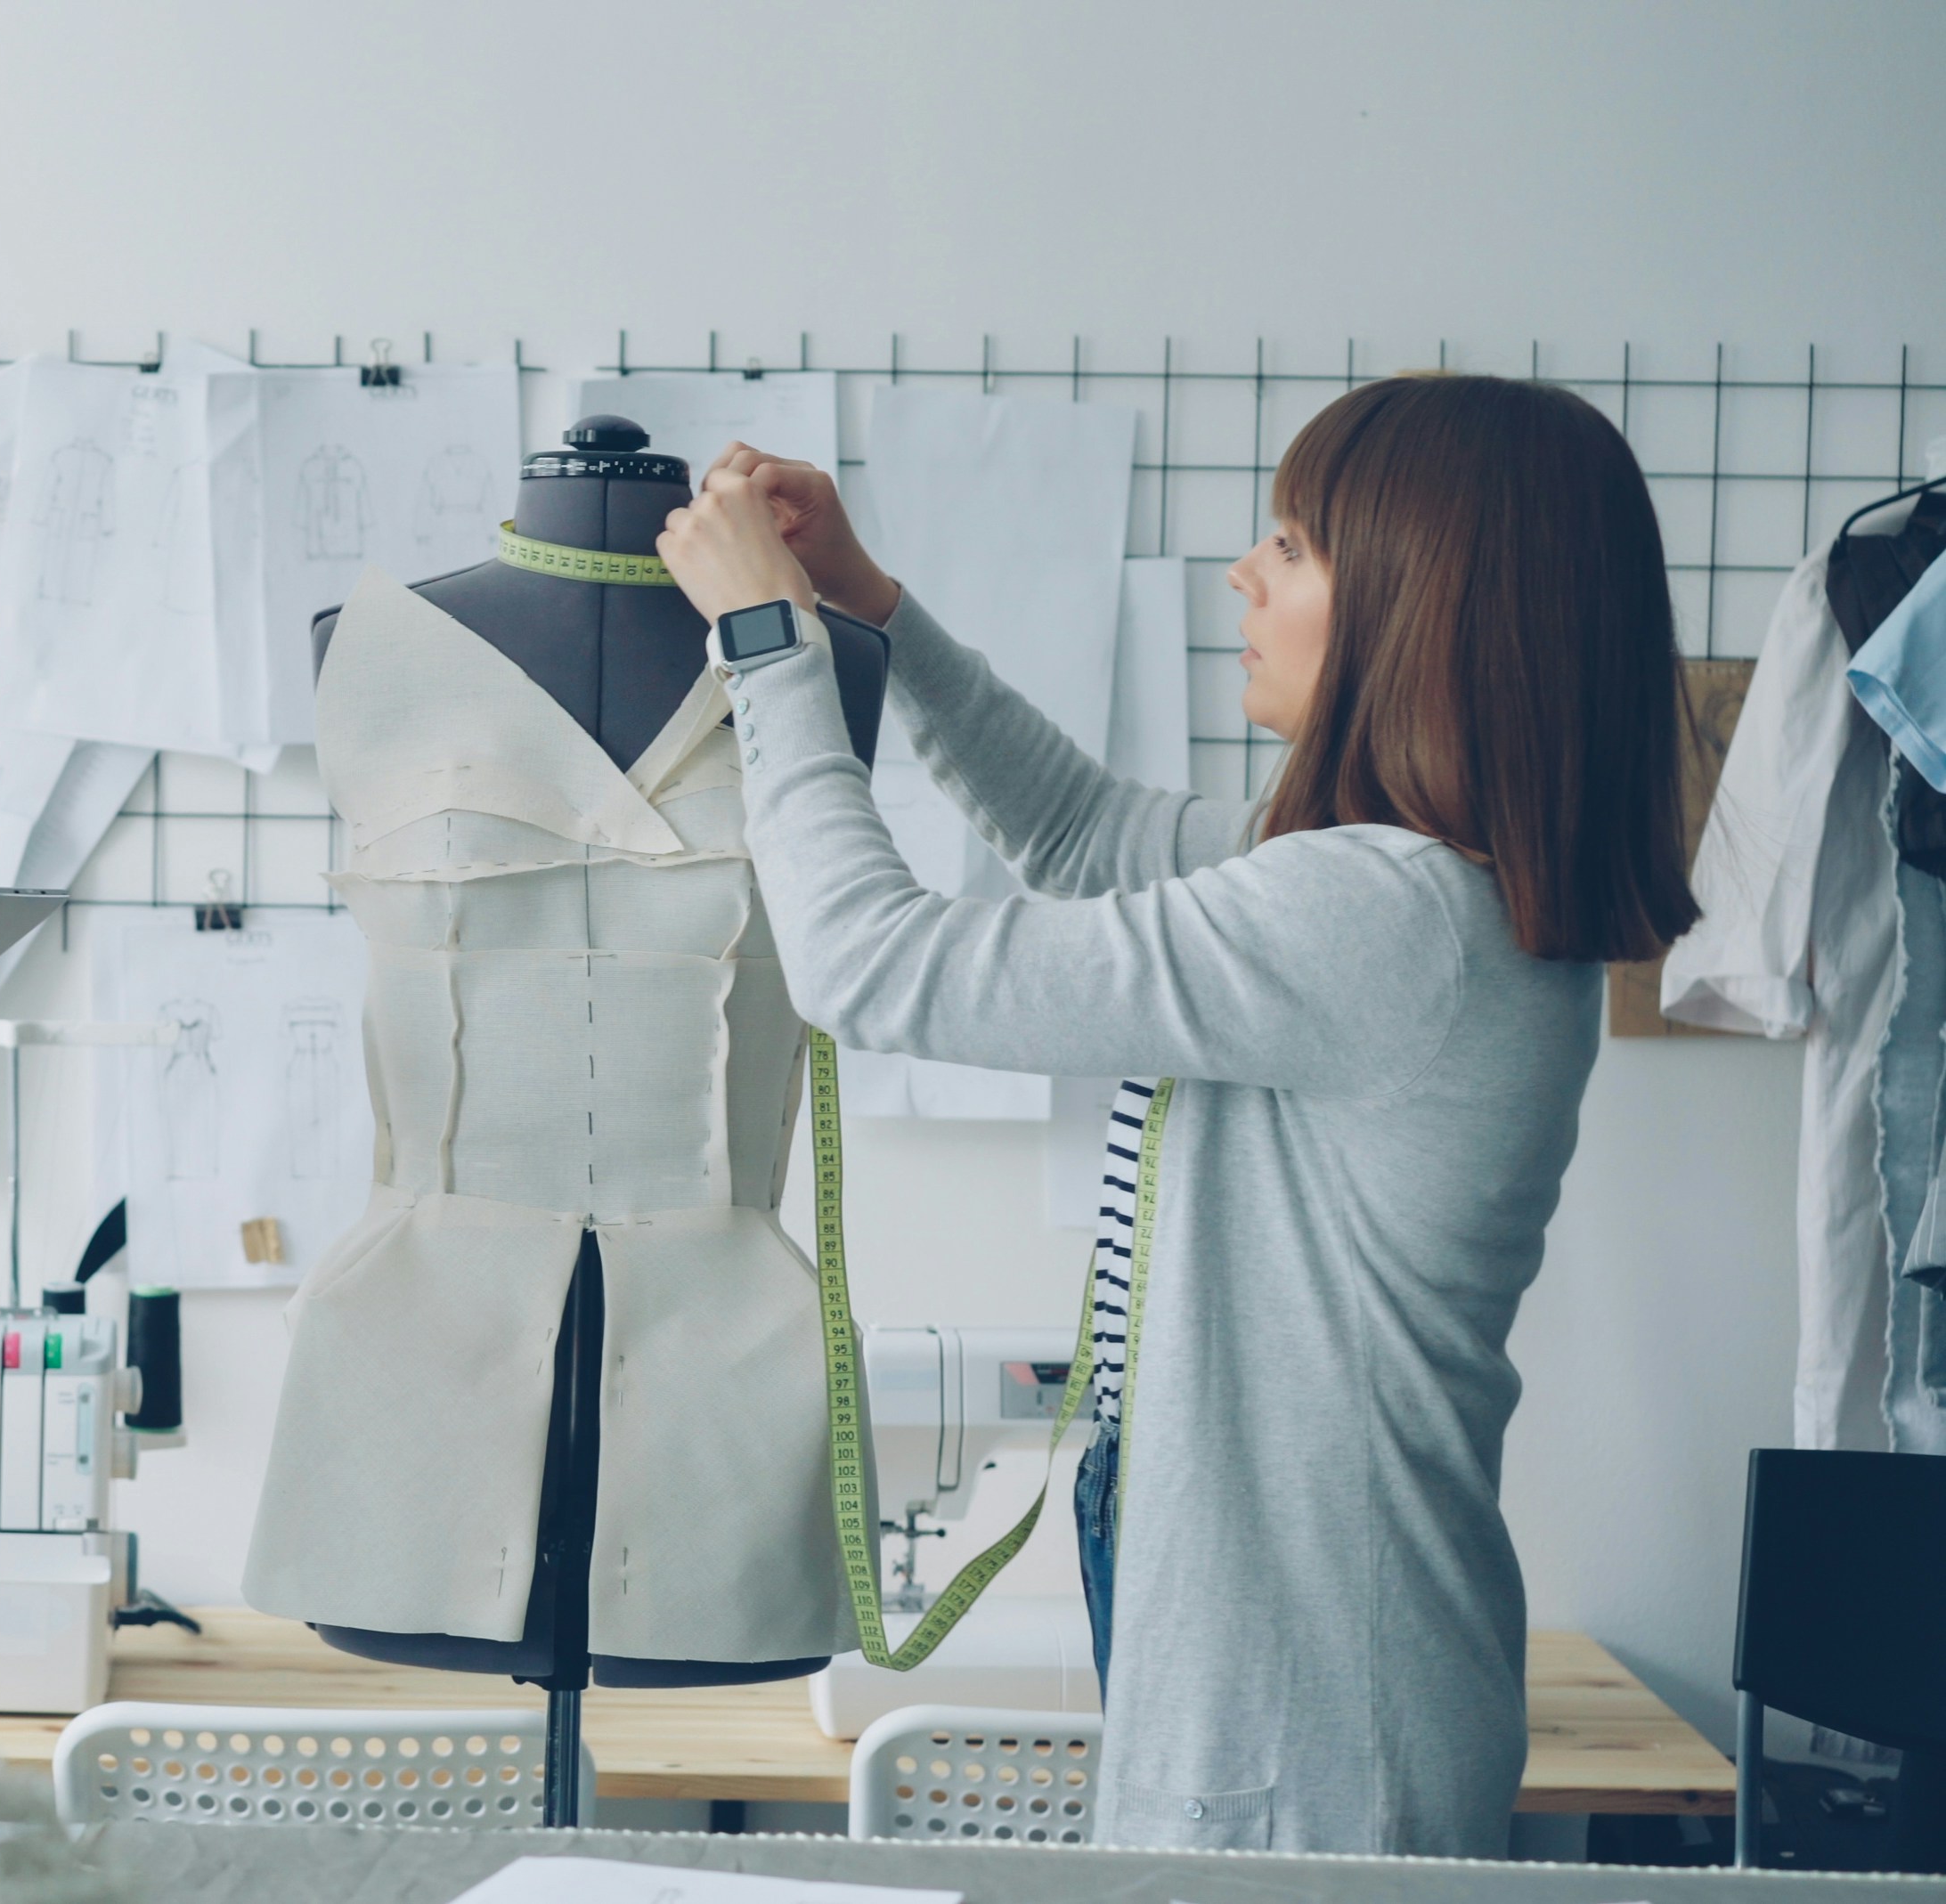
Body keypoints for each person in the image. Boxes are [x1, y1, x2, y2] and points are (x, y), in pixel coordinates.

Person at [655, 373, 1697, 1857]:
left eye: (1293, 543)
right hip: (1331, 1693)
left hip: (1305, 1736)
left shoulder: (1378, 916)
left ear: (1422, 605)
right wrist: (866, 602)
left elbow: (868, 962)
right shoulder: (1417, 886)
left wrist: (768, 642)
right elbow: (1085, 832)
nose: (1244, 575)